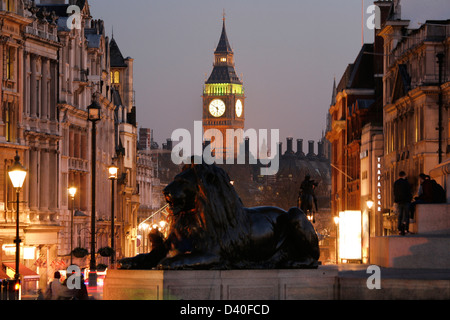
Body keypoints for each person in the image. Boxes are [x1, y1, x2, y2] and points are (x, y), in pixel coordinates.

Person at [393, 171, 412, 236]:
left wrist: (396, 201)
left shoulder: (396, 183)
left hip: (399, 202)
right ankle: (406, 229)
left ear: (399, 176)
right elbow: (409, 192)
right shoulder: (406, 183)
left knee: (400, 216)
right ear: (404, 175)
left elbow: (394, 192)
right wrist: (410, 199)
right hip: (406, 201)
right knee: (406, 216)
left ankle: (400, 230)